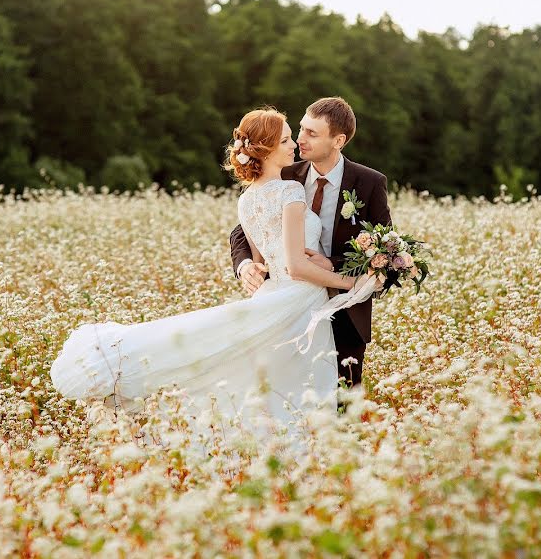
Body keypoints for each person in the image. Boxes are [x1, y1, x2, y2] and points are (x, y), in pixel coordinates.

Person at [50, 107, 362, 435]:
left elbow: (266, 264)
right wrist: (347, 281)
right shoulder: (291, 190)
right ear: (267, 148)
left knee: (260, 379)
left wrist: (300, 266)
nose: (294, 145)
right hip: (301, 300)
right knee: (300, 386)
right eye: (286, 140)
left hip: (276, 293)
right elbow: (295, 265)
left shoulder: (246, 200)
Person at [230, 97, 392, 390]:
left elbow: (386, 252)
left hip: (346, 315)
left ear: (338, 140)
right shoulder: (285, 174)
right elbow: (244, 229)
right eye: (300, 130)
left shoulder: (369, 183)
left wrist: (336, 267)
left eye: (311, 134)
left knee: (342, 406)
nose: (300, 140)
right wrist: (244, 265)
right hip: (289, 303)